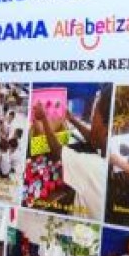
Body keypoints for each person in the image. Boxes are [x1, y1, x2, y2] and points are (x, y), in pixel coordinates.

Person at [32, 84, 110, 220]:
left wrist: (44, 118)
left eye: (95, 112)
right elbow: (95, 140)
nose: (92, 117)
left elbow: (57, 151)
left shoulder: (92, 166)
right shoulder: (111, 153)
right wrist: (72, 119)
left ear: (105, 126)